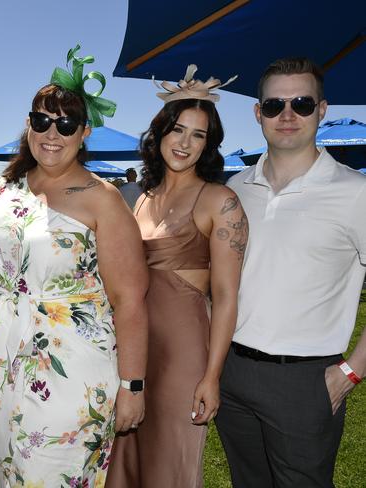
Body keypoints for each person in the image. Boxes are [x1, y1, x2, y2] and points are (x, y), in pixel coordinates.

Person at [0, 45, 149, 487]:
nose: (52, 132)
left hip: (68, 373)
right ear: (28, 125)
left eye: (66, 123)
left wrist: (132, 387)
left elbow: (130, 300)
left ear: (84, 132)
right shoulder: (4, 187)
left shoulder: (102, 199)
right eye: (41, 120)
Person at [216, 57, 366, 487]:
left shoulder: (355, 192)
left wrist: (350, 372)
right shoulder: (234, 189)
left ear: (321, 110)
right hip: (233, 370)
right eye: (274, 104)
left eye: (301, 103)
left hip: (306, 380)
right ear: (257, 112)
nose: (287, 115)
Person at [105, 65, 247, 488]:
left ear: (208, 145)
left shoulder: (220, 201)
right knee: (130, 461)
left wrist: (211, 377)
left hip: (182, 353)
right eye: (178, 129)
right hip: (134, 347)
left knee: (169, 464)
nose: (185, 143)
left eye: (198, 135)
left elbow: (226, 296)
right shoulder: (143, 197)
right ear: (160, 132)